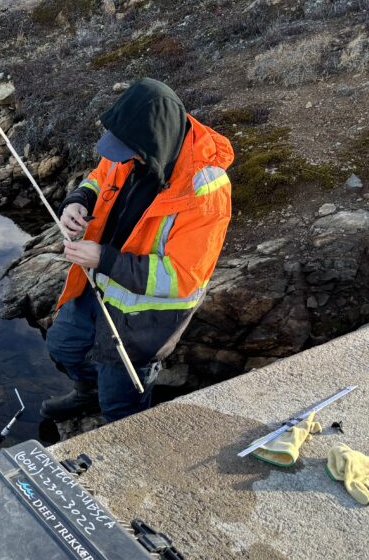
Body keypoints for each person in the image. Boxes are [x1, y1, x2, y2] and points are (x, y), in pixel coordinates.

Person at [41, 78, 234, 422]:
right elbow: (99, 176)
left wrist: (104, 258)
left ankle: (123, 438)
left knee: (122, 403)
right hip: (97, 287)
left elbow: (184, 278)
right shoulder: (134, 150)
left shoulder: (206, 192)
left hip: (143, 320)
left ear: (152, 141)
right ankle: (88, 395)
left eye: (127, 149)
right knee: (63, 346)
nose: (121, 156)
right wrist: (79, 200)